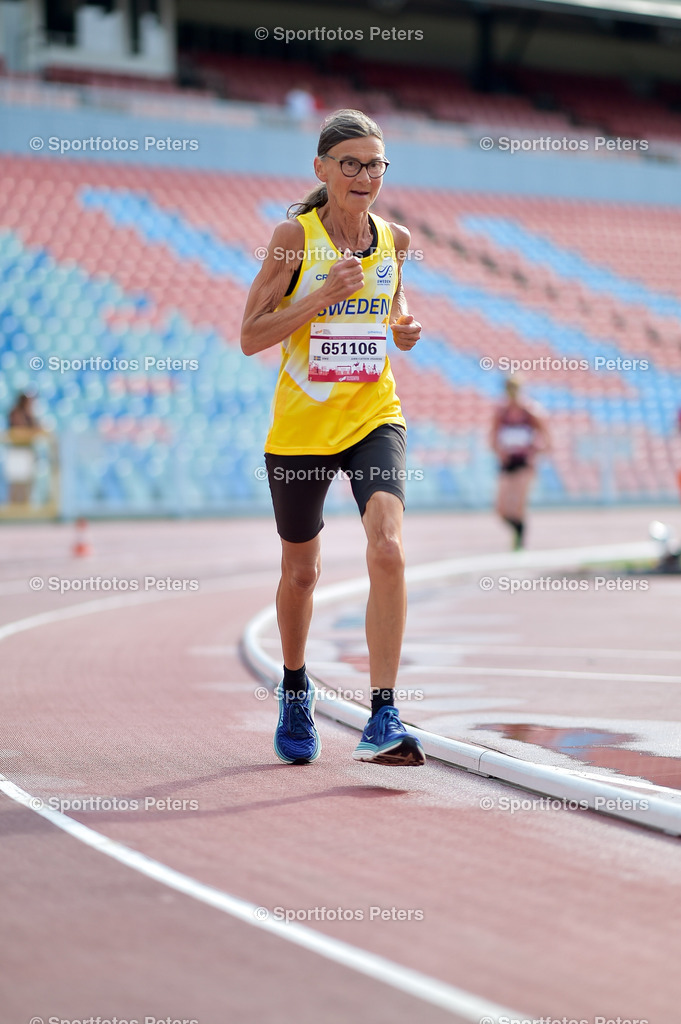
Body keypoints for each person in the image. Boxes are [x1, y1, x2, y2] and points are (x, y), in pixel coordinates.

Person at [241, 108, 425, 767]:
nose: (363, 176)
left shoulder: (394, 240)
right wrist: (318, 298)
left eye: (374, 164)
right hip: (301, 431)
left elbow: (392, 306)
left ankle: (384, 710)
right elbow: (250, 335)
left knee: (389, 546)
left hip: (374, 415)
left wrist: (402, 327)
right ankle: (295, 687)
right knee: (302, 570)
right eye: (349, 163)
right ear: (320, 169)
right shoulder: (295, 237)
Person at [490, 375, 549, 550]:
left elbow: (546, 436)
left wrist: (534, 453)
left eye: (515, 389)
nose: (512, 393)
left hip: (524, 462)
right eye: (509, 389)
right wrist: (499, 452)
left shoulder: (531, 411)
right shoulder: (502, 412)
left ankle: (519, 541)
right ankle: (518, 529)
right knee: (501, 509)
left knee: (517, 506)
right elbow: (493, 435)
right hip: (507, 461)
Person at [6, 391, 42, 505]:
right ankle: (15, 508)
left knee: (28, 482)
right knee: (16, 482)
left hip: (27, 451)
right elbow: (20, 428)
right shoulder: (16, 412)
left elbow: (38, 428)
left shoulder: (30, 414)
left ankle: (25, 507)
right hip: (17, 451)